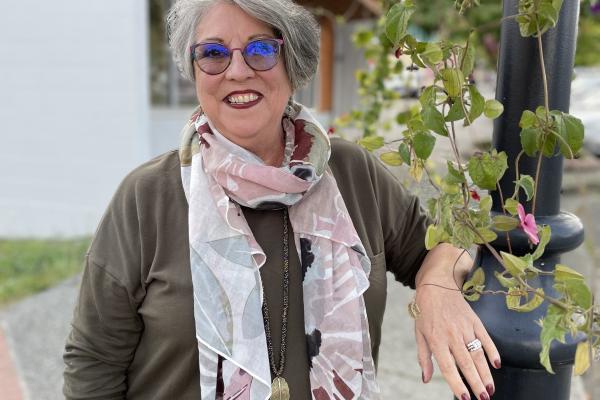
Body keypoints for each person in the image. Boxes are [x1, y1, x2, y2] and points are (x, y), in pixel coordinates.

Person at [63, 1, 501, 399]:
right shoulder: (145, 198)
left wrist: (438, 285)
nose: (237, 71)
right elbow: (93, 365)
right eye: (213, 53)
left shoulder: (351, 174)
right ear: (193, 69)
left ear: (293, 63)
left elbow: (444, 244)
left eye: (261, 50)